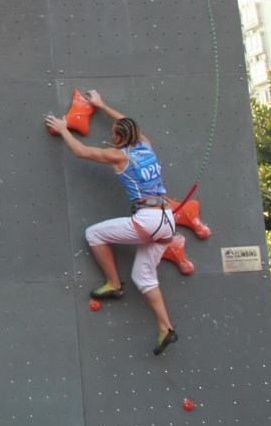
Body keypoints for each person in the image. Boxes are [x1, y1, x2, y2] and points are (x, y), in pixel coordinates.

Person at [45, 90, 179, 356]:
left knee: (94, 234)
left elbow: (82, 151)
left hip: (149, 220)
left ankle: (113, 283)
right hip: (167, 221)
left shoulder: (120, 157)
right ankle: (166, 328)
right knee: (143, 276)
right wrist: (102, 105)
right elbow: (128, 123)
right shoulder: (145, 145)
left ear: (119, 138)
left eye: (115, 132)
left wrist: (63, 130)